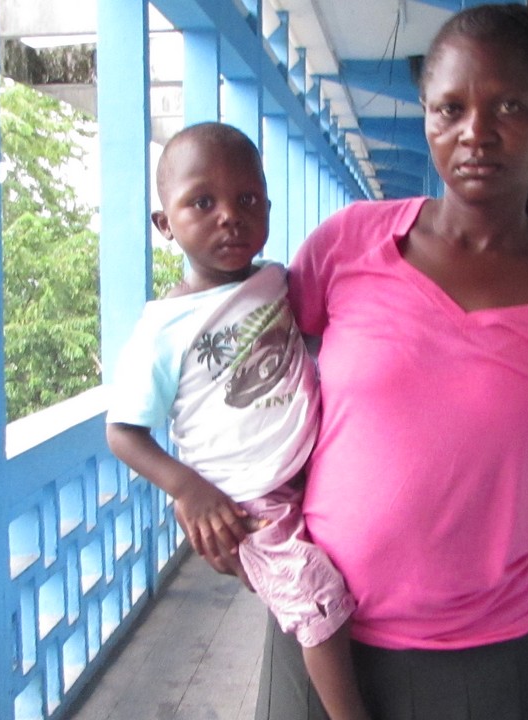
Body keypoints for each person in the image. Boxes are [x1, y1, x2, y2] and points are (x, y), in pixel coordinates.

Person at [234, 5, 528, 720]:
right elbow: (245, 376)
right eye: (450, 108)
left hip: (484, 666)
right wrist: (192, 487)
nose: (475, 134)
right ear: (425, 114)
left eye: (510, 107)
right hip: (319, 648)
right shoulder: (348, 246)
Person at [104, 122, 371, 720]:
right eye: (203, 202)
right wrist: (189, 491)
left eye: (247, 200)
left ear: (269, 209)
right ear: (164, 224)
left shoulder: (276, 281)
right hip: (251, 497)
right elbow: (123, 432)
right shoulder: (161, 331)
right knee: (315, 601)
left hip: (319, 464)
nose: (229, 215)